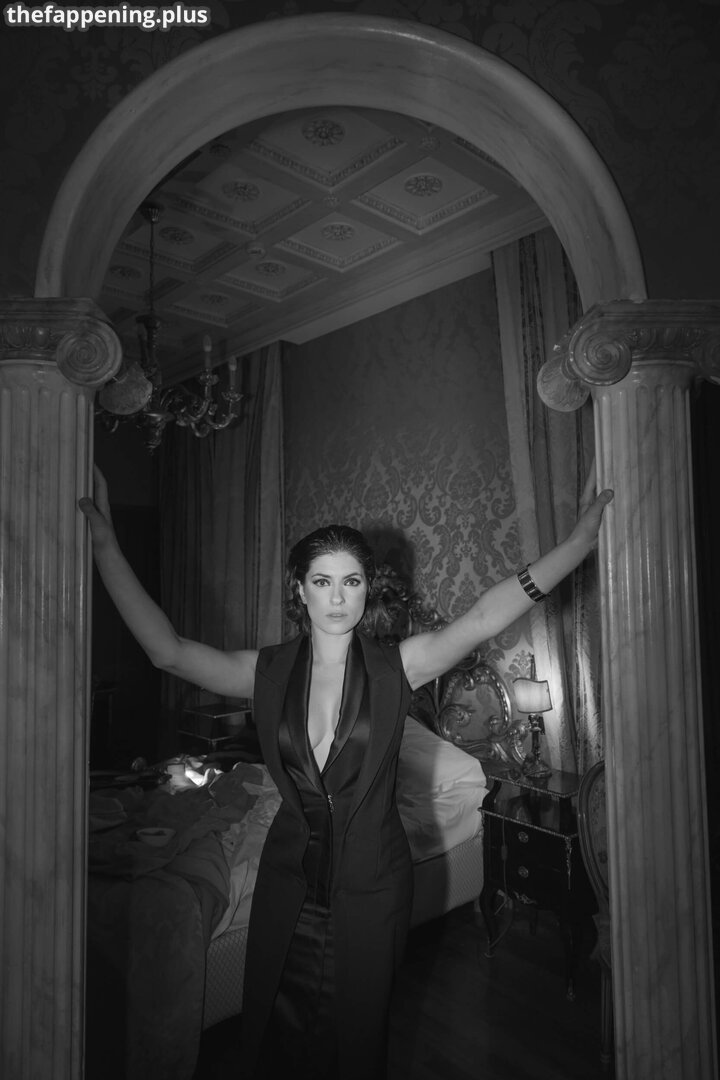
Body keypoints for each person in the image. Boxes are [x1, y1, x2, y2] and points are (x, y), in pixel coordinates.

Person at [79, 466, 612, 1080]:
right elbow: (167, 651)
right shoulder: (267, 671)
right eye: (323, 581)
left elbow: (483, 618)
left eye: (351, 581)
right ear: (300, 589)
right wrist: (106, 546)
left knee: (355, 1044)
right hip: (284, 885)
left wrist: (578, 544)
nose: (337, 598)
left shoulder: (397, 668)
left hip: (373, 889)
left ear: (365, 590)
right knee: (273, 1038)